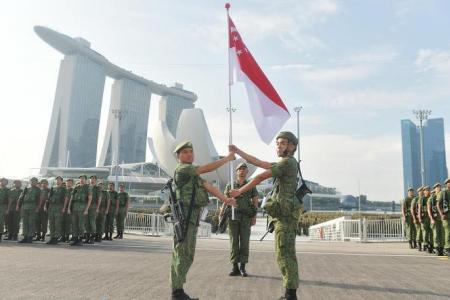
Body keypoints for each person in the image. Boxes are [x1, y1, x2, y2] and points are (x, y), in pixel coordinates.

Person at [229, 131, 301, 300]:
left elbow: (261, 176)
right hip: (283, 216)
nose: (279, 146)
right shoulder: (284, 163)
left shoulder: (288, 163)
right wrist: (238, 151)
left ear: (292, 146)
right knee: (283, 253)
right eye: (277, 143)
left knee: (285, 254)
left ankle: (291, 294)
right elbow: (259, 163)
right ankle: (289, 293)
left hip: (286, 217)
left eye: (283, 143)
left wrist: (239, 191)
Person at [169, 141, 237, 300]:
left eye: (191, 152)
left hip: (191, 218)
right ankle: (176, 292)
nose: (189, 154)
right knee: (181, 253)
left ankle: (178, 289)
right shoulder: (183, 169)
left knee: (188, 254)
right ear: (178, 156)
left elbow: (209, 186)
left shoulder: (192, 174)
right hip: (184, 217)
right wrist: (227, 159)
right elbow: (207, 168)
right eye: (185, 152)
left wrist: (226, 200)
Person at [224, 162, 258, 277]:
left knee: (244, 242)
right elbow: (225, 200)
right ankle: (235, 267)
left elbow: (255, 201)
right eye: (240, 169)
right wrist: (221, 214)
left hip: (246, 217)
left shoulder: (251, 185)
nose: (242, 171)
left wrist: (254, 216)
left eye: (244, 169)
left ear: (247, 172)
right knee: (233, 242)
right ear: (236, 172)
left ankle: (243, 267)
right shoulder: (230, 185)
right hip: (233, 217)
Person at [68, 175, 92, 246]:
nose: (81, 180)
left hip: (82, 208)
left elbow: (90, 199)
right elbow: (71, 198)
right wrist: (69, 208)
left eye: (83, 178)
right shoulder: (76, 187)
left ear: (86, 180)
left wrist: (86, 209)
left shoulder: (88, 188)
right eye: (80, 178)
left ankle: (80, 239)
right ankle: (75, 238)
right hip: (75, 208)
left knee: (81, 225)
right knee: (74, 224)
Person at [16, 177, 41, 243]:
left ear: (36, 182)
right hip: (25, 207)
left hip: (33, 207)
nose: (33, 182)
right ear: (30, 182)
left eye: (34, 181)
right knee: (25, 222)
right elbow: (21, 198)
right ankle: (25, 236)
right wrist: (18, 206)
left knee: (31, 222)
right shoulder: (26, 189)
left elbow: (39, 199)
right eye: (32, 181)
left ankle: (30, 237)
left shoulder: (38, 190)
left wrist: (38, 208)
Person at [45, 176, 66, 245]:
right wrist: (46, 206)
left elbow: (65, 199)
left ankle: (56, 238)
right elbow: (48, 198)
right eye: (57, 180)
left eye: (59, 180)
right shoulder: (52, 188)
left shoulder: (63, 189)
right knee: (51, 224)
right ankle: (52, 237)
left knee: (57, 223)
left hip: (59, 207)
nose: (58, 181)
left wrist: (64, 208)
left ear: (62, 181)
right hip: (51, 207)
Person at [428, 183, 445, 256]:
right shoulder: (432, 198)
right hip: (435, 218)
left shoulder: (442, 196)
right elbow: (429, 209)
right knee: (436, 234)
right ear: (434, 189)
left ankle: (441, 248)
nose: (439, 189)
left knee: (442, 234)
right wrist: (431, 219)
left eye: (439, 187)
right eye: (437, 188)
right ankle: (437, 248)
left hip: (441, 219)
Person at [437, 178, 450, 256]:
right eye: (449, 182)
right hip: (446, 216)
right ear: (446, 184)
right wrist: (441, 214)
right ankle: (447, 248)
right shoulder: (443, 192)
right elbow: (438, 205)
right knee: (448, 232)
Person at [85, 175, 100, 244]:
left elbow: (99, 199)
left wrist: (97, 208)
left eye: (94, 179)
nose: (92, 180)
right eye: (91, 178)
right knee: (87, 222)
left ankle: (92, 237)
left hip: (93, 206)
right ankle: (87, 237)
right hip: (86, 207)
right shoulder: (87, 187)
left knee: (92, 222)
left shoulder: (97, 188)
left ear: (96, 180)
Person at [419, 186, 433, 253]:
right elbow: (419, 209)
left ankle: (431, 245)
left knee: (431, 232)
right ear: (424, 191)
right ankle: (425, 244)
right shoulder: (422, 199)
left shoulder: (431, 197)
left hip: (431, 217)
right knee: (425, 232)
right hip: (425, 218)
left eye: (429, 190)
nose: (428, 191)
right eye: (426, 190)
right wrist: (420, 218)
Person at [411, 187, 424, 251]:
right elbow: (412, 210)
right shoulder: (415, 199)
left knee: (424, 232)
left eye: (422, 191)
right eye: (420, 191)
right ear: (418, 192)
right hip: (417, 217)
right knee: (419, 231)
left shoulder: (424, 198)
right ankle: (419, 245)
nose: (421, 192)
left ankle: (425, 245)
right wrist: (414, 218)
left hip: (424, 217)